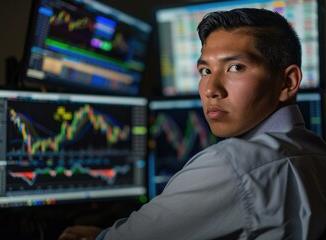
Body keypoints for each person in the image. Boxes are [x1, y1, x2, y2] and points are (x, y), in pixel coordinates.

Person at [59, 8, 326, 240]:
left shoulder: (232, 163)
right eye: (205, 71)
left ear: (288, 82)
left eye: (235, 68)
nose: (211, 89)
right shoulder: (316, 151)